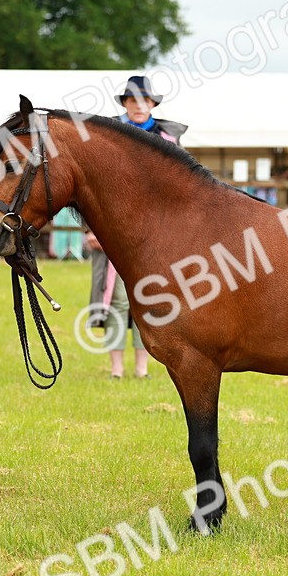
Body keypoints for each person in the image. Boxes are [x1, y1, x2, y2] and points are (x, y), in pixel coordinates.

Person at [88, 75, 187, 380]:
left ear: (153, 104)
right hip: (114, 230)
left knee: (150, 300)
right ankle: (117, 368)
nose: (139, 106)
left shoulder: (167, 140)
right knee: (116, 299)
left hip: (156, 235)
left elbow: (179, 187)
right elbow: (94, 187)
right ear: (126, 104)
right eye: (133, 101)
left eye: (144, 101)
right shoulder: (109, 136)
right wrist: (95, 229)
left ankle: (142, 368)